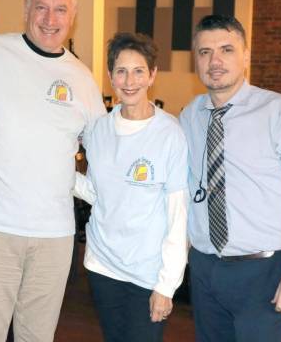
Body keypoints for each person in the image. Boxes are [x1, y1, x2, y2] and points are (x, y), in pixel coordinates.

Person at [0, 0, 106, 342]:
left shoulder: (82, 79)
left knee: (37, 337)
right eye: (41, 7)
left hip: (55, 235)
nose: (50, 18)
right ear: (26, 6)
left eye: (60, 9)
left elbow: (107, 152)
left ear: (73, 16)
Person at [178, 14, 281, 342]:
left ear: (246, 55)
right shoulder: (190, 116)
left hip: (264, 271)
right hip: (205, 269)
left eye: (226, 49)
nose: (215, 61)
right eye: (204, 52)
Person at [73, 32, 189, 342]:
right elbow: (100, 194)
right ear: (110, 76)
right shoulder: (98, 130)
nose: (129, 80)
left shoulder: (170, 134)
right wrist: (64, 177)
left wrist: (167, 285)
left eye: (139, 71)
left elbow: (178, 217)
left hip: (146, 274)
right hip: (102, 265)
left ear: (152, 75)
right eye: (121, 71)